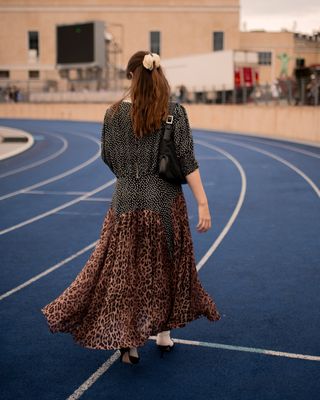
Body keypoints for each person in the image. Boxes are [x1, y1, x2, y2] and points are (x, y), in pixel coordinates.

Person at [41, 50, 221, 365]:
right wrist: (203, 202)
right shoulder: (174, 112)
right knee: (167, 268)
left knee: (124, 271)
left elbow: (107, 156)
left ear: (130, 76)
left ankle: (128, 344)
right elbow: (187, 160)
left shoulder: (112, 114)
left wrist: (129, 178)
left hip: (124, 203)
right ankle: (164, 335)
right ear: (159, 74)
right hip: (165, 204)